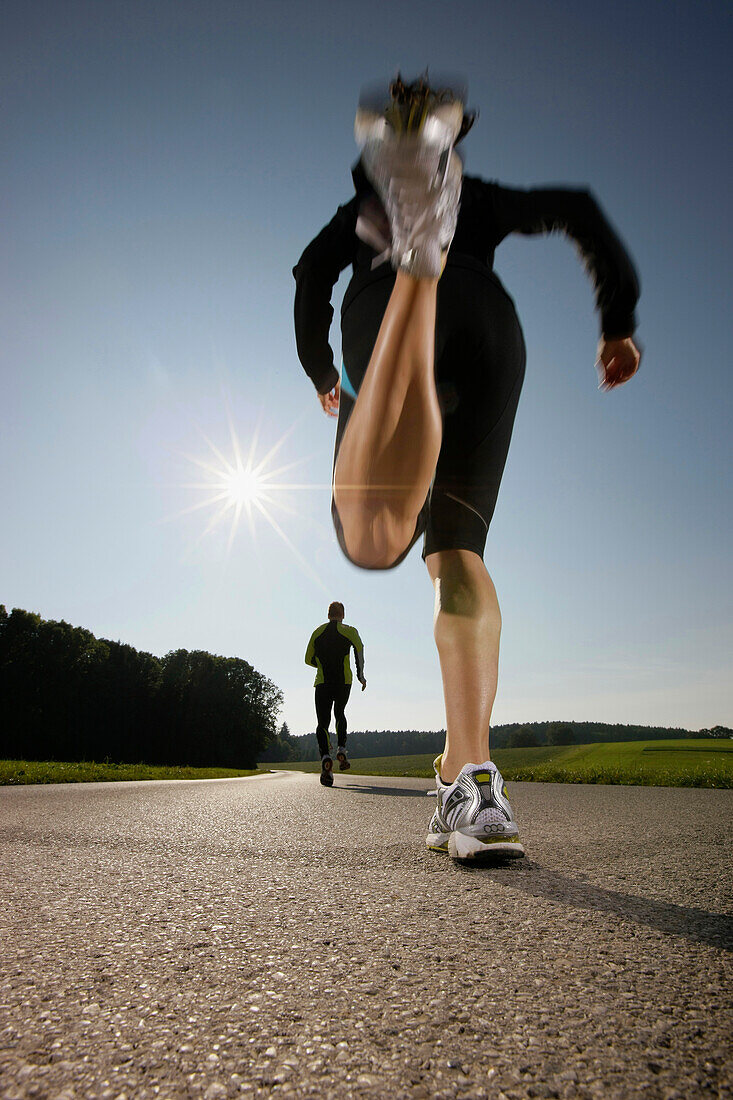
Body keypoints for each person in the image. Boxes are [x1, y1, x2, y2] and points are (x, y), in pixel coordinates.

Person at [293, 74, 640, 855]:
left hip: (383, 322)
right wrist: (615, 319)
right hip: (490, 327)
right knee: (457, 557)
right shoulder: (477, 195)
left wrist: (321, 374)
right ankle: (471, 782)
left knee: (374, 537)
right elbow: (575, 209)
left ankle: (414, 275)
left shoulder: (357, 214)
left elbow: (311, 278)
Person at [305, 601, 366, 786]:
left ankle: (325, 758)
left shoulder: (317, 632)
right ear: (343, 615)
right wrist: (361, 676)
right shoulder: (350, 631)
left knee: (322, 722)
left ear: (328, 614)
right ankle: (341, 748)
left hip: (322, 682)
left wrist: (322, 665)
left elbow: (308, 659)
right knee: (340, 713)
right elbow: (360, 651)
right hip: (343, 682)